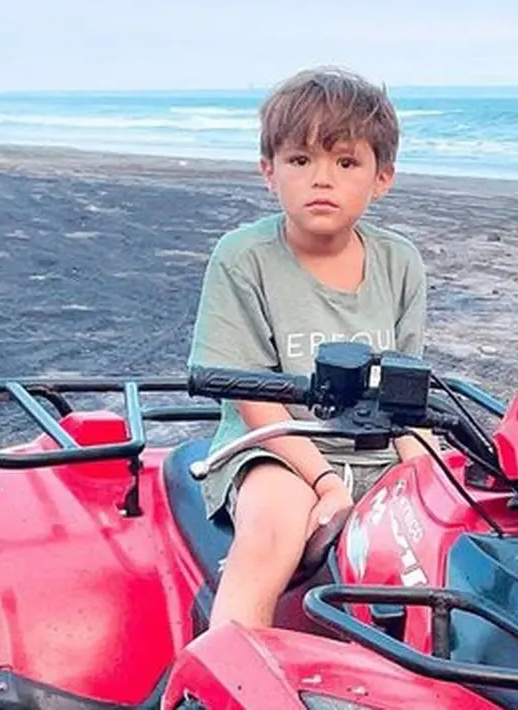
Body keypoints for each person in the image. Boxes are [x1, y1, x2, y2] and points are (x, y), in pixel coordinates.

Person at [187, 66, 437, 630]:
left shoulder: (400, 262)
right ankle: (229, 653)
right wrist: (325, 481)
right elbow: (251, 396)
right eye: (300, 160)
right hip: (275, 449)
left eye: (346, 163)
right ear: (269, 172)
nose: (322, 179)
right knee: (275, 526)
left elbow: (407, 392)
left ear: (382, 177)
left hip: (376, 448)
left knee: (459, 519)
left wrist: (427, 470)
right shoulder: (243, 258)